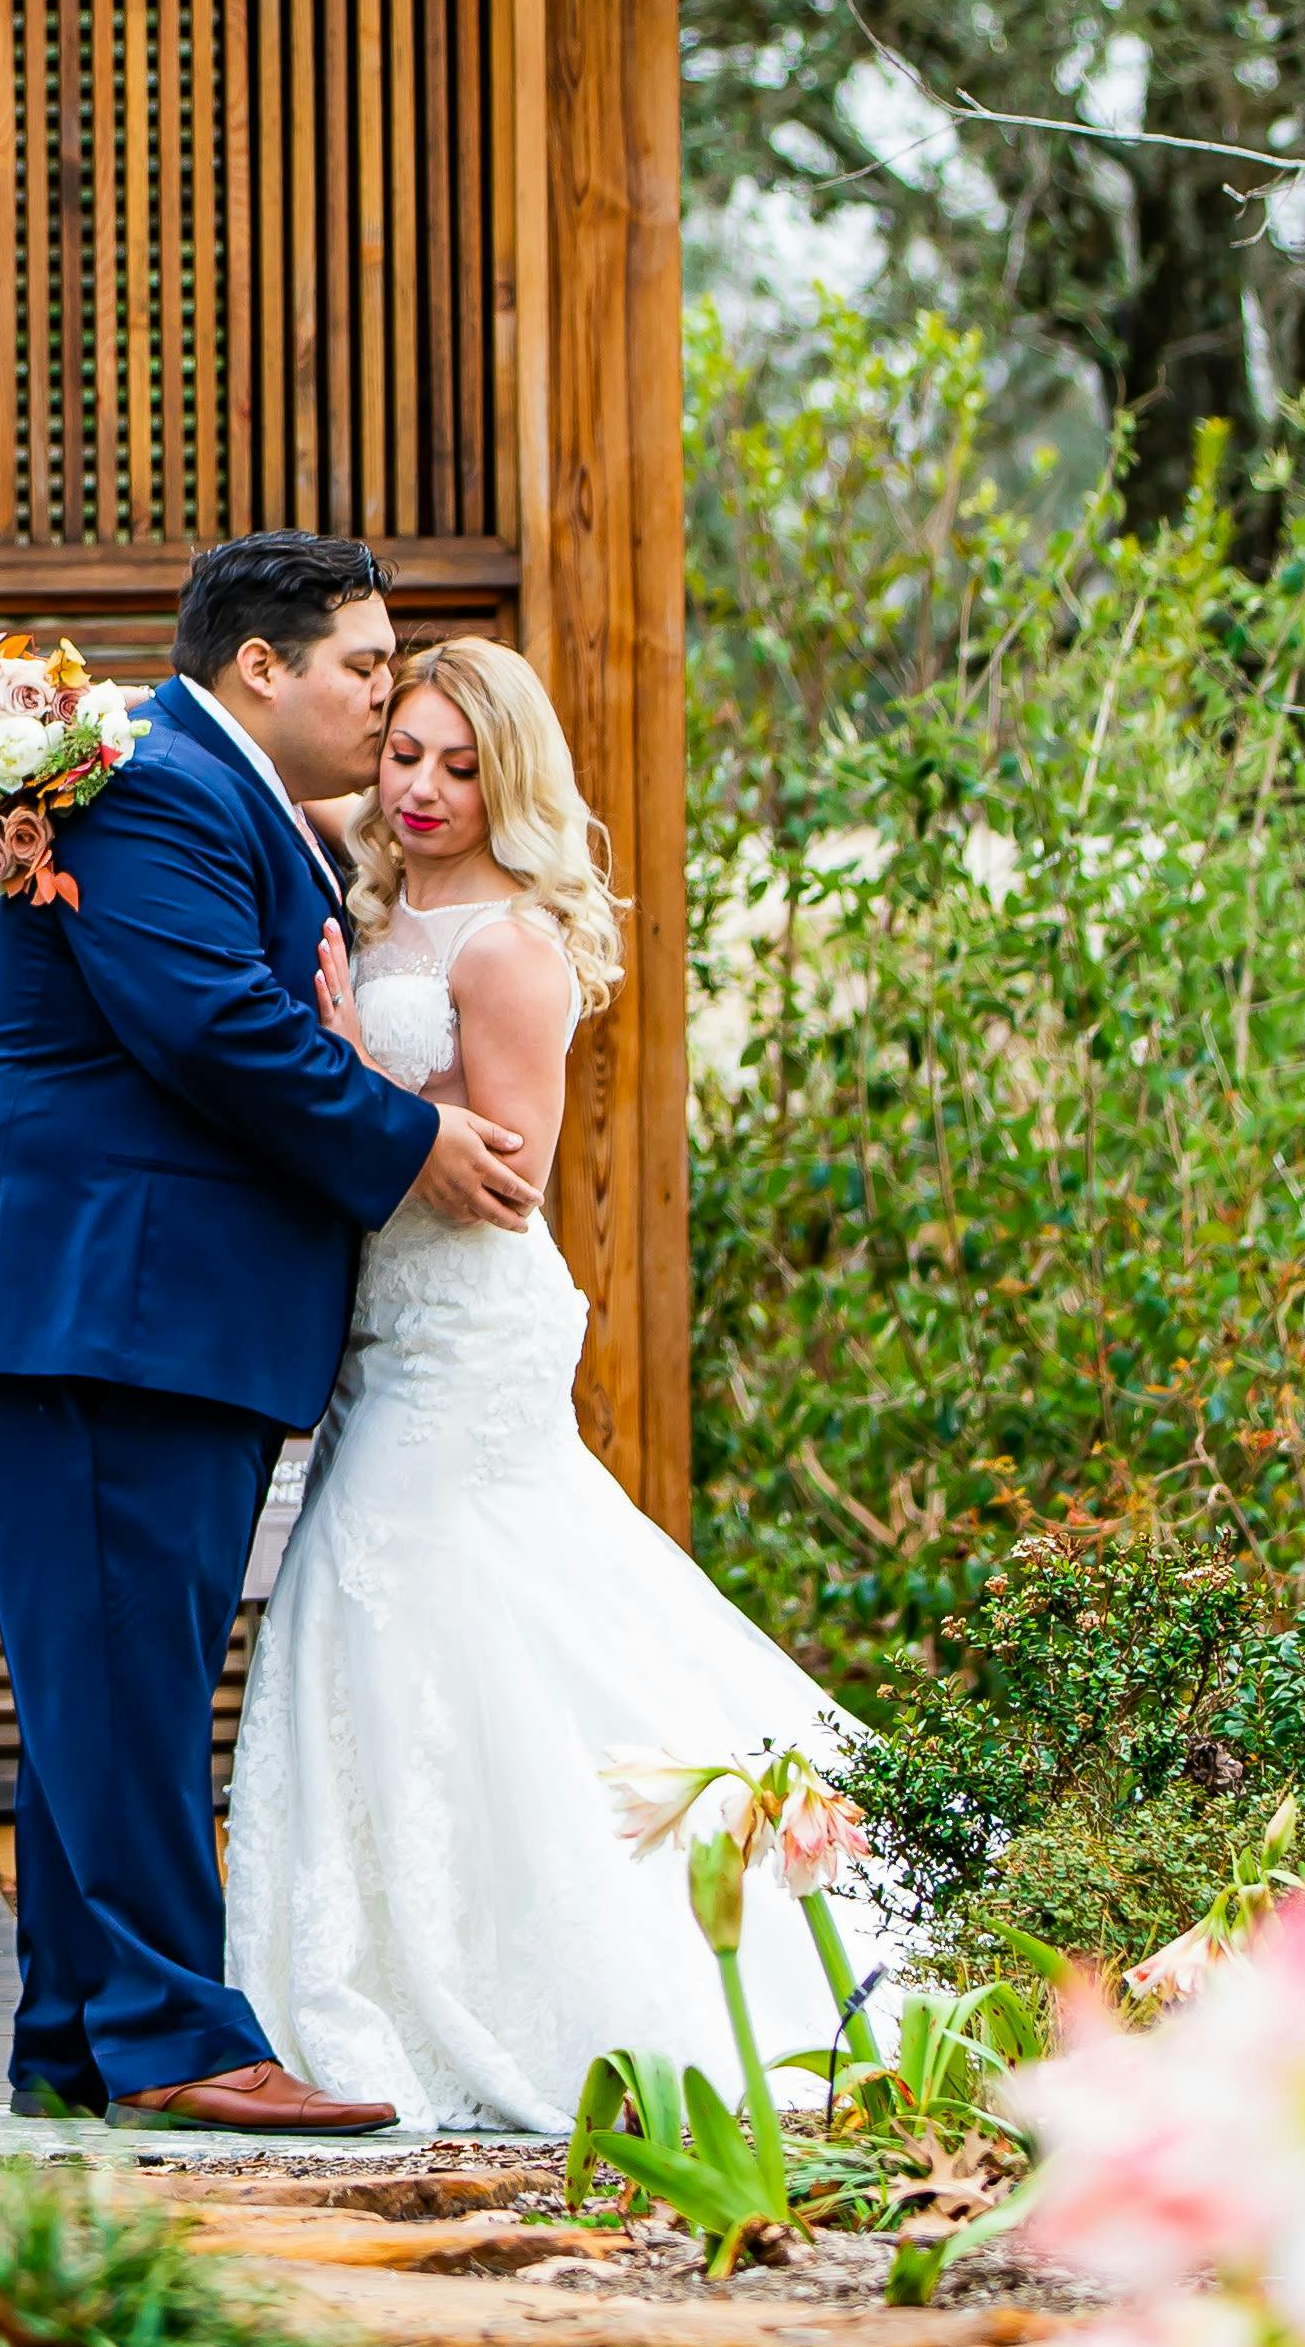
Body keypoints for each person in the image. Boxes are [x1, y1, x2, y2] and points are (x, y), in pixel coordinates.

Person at [0, 532, 543, 2135]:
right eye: (361, 668)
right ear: (260, 668)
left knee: (102, 1687)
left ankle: (75, 2037)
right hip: (104, 1309)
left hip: (142, 1316)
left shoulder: (231, 801)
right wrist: (412, 1143)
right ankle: (178, 2040)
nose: (381, 693)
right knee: (117, 1679)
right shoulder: (164, 788)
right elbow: (217, 1030)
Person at [223, 637, 896, 2129]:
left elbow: (504, 1177)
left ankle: (509, 1972)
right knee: (474, 1614)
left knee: (370, 1590)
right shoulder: (372, 887)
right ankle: (385, 1961)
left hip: (468, 1331)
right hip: (379, 1331)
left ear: (506, 778)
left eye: (459, 768)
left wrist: (340, 1068)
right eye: (403, 752)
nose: (418, 788)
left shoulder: (511, 943)